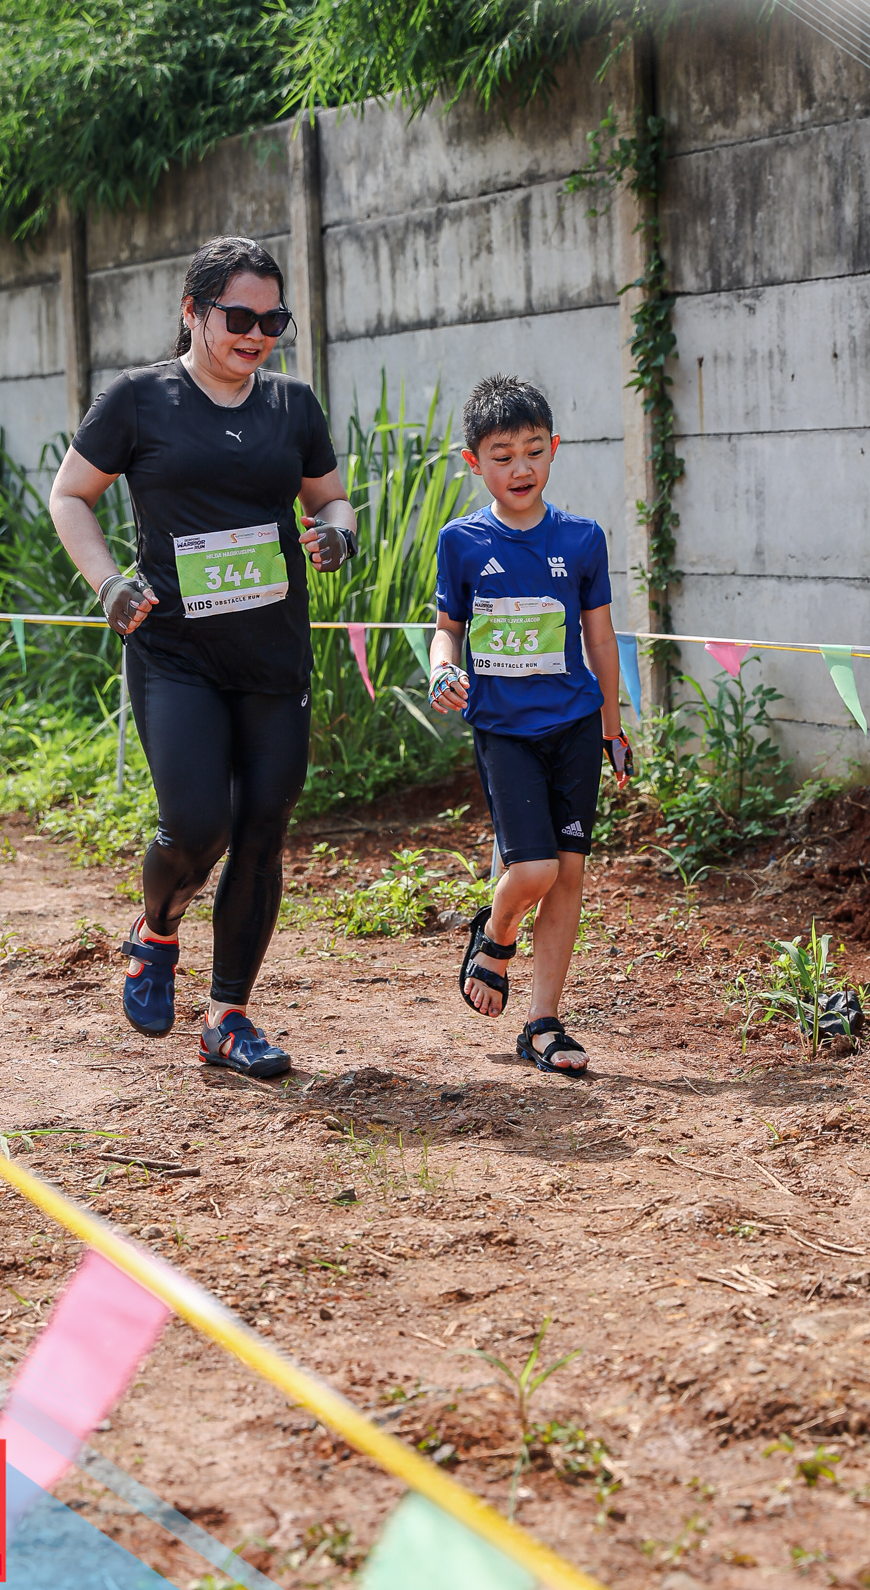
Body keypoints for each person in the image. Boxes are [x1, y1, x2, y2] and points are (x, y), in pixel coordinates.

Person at [48, 235, 357, 1077]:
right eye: (240, 318)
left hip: (273, 656)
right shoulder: (138, 400)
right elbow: (70, 495)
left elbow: (332, 500)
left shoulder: (292, 405)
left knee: (262, 829)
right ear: (193, 311)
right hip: (175, 650)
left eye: (273, 321)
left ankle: (228, 1017)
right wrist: (109, 584)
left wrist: (337, 535)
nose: (257, 335)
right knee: (197, 825)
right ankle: (156, 931)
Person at [428, 374, 632, 1074]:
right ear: (474, 462)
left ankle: (544, 1023)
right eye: (503, 455)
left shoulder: (582, 539)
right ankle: (496, 931)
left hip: (574, 723)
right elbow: (447, 629)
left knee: (568, 874)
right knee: (535, 867)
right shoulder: (461, 542)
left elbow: (600, 639)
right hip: (504, 730)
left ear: (554, 449)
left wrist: (613, 728)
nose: (521, 468)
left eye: (534, 451)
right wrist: (442, 671)